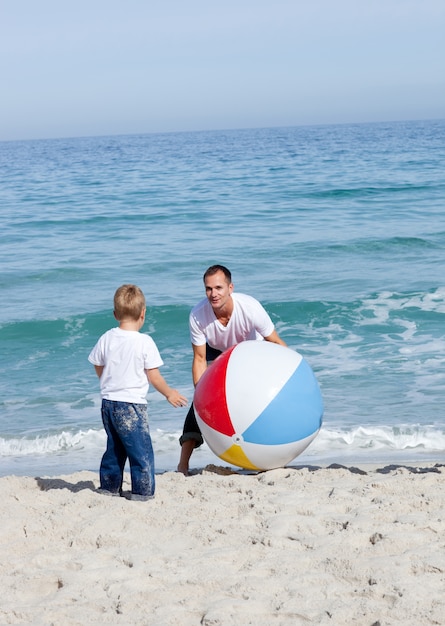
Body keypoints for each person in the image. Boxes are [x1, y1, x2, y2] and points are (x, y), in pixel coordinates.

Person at [177, 265, 286, 475]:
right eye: (208, 289)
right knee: (198, 404)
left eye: (219, 288)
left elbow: (275, 342)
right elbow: (199, 358)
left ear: (230, 288)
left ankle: (264, 453)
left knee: (255, 402)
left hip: (250, 351)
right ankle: (183, 464)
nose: (213, 294)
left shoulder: (250, 308)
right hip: (217, 352)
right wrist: (201, 395)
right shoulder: (198, 315)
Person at [89, 284, 187, 501]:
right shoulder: (145, 342)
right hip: (131, 405)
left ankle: (109, 487)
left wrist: (106, 380)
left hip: (108, 403)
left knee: (114, 448)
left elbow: (97, 363)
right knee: (140, 451)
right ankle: (142, 492)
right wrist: (169, 393)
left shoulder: (107, 337)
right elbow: (154, 377)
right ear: (143, 314)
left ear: (115, 314)